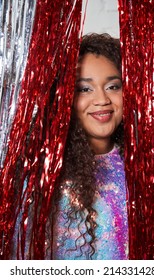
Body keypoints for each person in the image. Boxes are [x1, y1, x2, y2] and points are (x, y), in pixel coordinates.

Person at [47, 33, 128, 260]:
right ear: (64, 98)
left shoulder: (148, 171)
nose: (102, 99)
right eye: (84, 89)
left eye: (113, 86)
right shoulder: (46, 176)